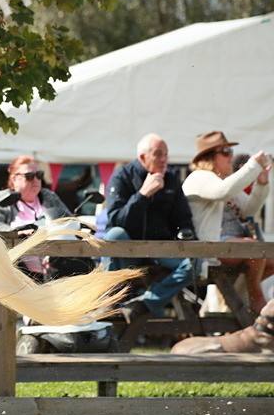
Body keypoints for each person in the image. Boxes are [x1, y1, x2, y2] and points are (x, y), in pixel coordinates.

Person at [103, 133, 197, 321]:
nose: (164, 160)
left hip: (160, 248)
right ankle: (108, 301)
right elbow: (117, 220)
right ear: (142, 157)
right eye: (158, 154)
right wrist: (143, 195)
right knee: (115, 234)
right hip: (129, 249)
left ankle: (145, 303)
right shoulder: (122, 176)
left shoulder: (171, 178)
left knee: (192, 265)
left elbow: (183, 217)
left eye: (166, 154)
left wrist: (187, 237)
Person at [182, 130, 273, 309]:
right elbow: (224, 191)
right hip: (207, 248)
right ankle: (255, 303)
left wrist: (261, 183)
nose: (231, 156)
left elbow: (249, 209)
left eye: (230, 151)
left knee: (267, 254)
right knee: (254, 249)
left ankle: (237, 300)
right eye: (225, 152)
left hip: (225, 247)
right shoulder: (199, 177)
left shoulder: (219, 180)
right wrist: (252, 166)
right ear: (209, 157)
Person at [0, 156, 75, 279]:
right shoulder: (2, 198)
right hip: (15, 271)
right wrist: (16, 233)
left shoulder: (49, 197)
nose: (35, 180)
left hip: (56, 268)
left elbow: (69, 221)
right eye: (29, 176)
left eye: (39, 175)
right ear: (14, 179)